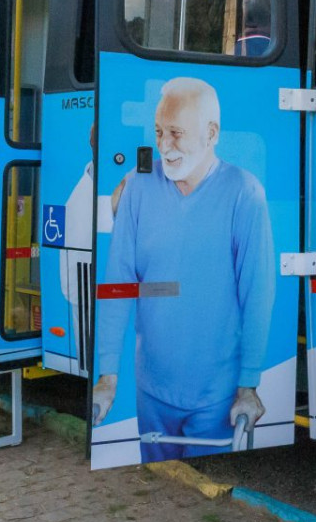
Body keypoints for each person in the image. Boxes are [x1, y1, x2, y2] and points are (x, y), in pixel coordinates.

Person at [91, 77, 275, 461]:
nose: (164, 145)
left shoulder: (244, 192)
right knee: (157, 491)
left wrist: (248, 384)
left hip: (216, 396)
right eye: (159, 132)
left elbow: (257, 292)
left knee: (201, 490)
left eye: (176, 133)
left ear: (211, 133)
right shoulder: (139, 186)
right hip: (151, 390)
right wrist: (107, 375)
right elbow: (119, 281)